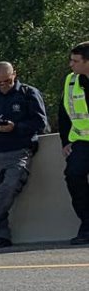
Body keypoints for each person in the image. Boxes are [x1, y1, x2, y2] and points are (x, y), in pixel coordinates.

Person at [0, 61, 48, 248]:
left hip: (19, 149)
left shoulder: (28, 94)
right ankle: (1, 234)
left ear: (15, 74)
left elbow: (40, 123)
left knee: (9, 187)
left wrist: (15, 127)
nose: (3, 86)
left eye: (7, 81)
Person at [60, 41, 89, 245]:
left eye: (75, 61)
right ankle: (87, 225)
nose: (71, 64)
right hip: (82, 141)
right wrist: (65, 142)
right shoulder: (71, 81)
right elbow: (63, 113)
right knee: (73, 176)